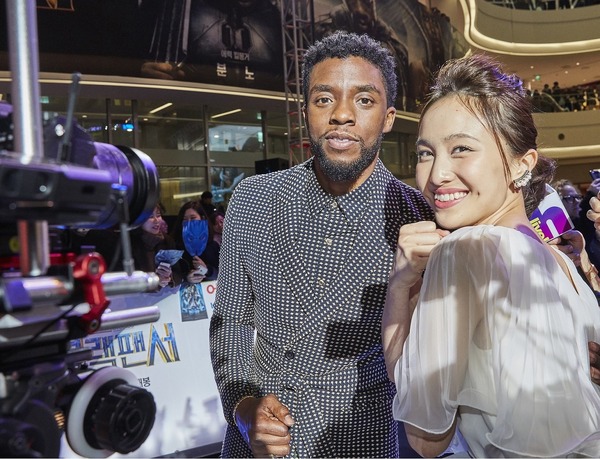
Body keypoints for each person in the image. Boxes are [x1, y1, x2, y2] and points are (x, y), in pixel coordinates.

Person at [209, 31, 434, 458]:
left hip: (360, 439)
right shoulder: (254, 199)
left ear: (388, 117)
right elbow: (231, 321)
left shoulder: (418, 218)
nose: (342, 115)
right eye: (324, 98)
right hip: (254, 443)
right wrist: (242, 407)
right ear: (305, 112)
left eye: (364, 100)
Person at [382, 54, 600, 458]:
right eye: (425, 153)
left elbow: (426, 438)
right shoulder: (560, 263)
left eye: (462, 149)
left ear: (522, 164)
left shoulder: (466, 248)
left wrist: (400, 287)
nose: (437, 174)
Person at [169, 200, 220, 284]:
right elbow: (172, 274)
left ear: (202, 218)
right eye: (185, 219)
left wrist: (206, 270)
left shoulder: (213, 246)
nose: (189, 222)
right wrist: (186, 278)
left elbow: (223, 274)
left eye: (193, 218)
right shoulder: (174, 246)